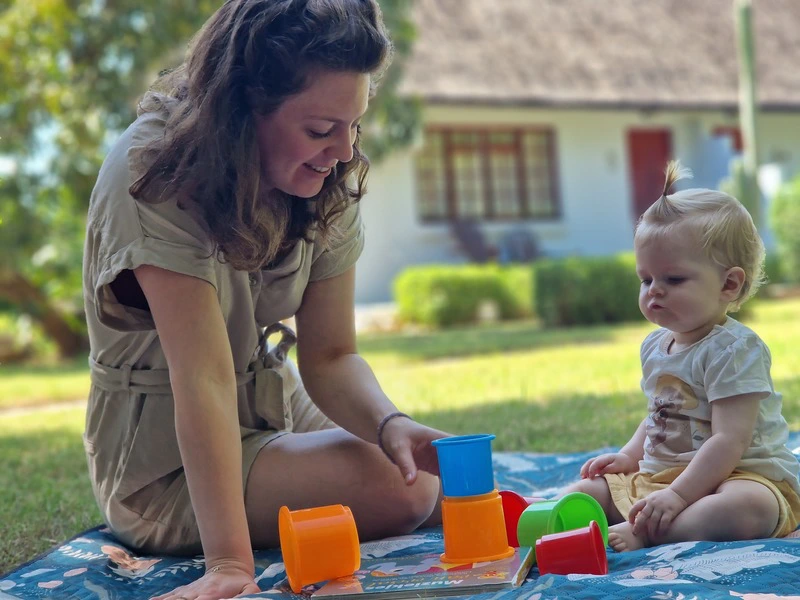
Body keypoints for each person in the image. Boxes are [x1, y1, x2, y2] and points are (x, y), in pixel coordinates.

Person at [81, 2, 447, 599]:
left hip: (271, 402)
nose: (344, 152)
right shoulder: (154, 171)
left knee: (423, 475)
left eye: (354, 126)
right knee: (401, 491)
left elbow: (330, 358)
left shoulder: (321, 175)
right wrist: (229, 564)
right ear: (243, 108)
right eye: (321, 130)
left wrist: (390, 423)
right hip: (164, 461)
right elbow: (203, 379)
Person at [560, 161, 800, 553]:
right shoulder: (655, 346)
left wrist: (677, 497)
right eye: (646, 279)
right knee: (588, 489)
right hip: (665, 476)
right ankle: (554, 519)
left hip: (739, 474)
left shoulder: (735, 350)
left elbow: (729, 439)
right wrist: (627, 456)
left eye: (673, 280)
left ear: (728, 284)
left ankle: (657, 532)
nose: (654, 291)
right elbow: (660, 414)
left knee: (744, 508)